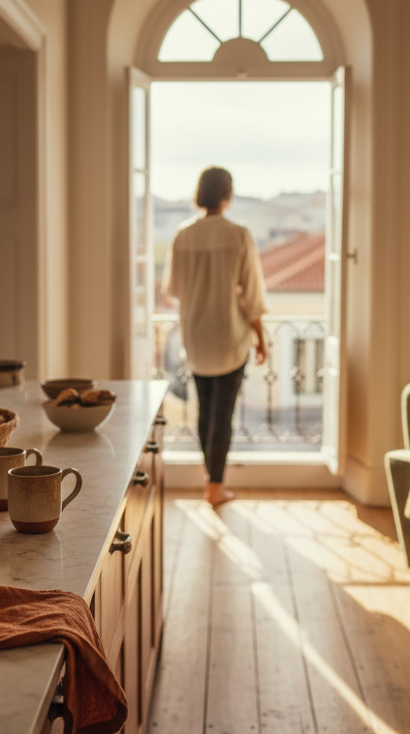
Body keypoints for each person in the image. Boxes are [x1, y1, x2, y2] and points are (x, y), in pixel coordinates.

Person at [164, 166, 268, 507]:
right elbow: (251, 294)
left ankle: (212, 482)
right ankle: (215, 487)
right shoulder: (239, 234)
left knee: (205, 412)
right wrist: (260, 337)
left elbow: (174, 289)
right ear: (228, 194)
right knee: (222, 414)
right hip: (229, 336)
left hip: (195, 336)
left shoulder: (183, 234)